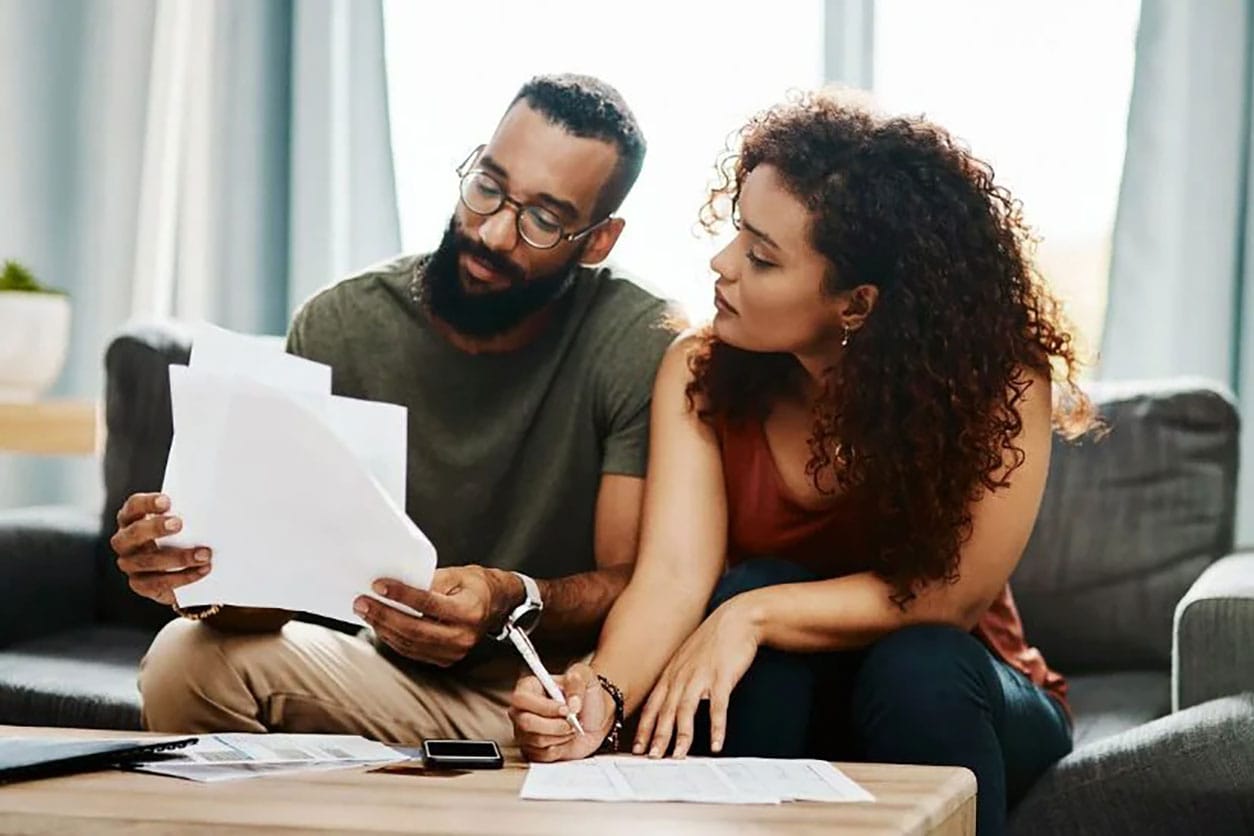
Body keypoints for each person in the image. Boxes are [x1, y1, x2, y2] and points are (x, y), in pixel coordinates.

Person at [508, 91, 1098, 836]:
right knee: (755, 595)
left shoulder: (1003, 382)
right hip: (789, 702)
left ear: (857, 304)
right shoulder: (698, 370)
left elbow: (949, 599)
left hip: (961, 694)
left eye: (761, 257)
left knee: (911, 661)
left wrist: (751, 615)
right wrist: (598, 696)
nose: (721, 265)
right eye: (736, 234)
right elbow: (672, 578)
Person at [109, 73, 679, 745]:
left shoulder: (637, 340)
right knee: (185, 660)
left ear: (599, 240)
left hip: (552, 696)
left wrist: (508, 599)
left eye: (545, 220)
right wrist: (197, 572)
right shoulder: (342, 324)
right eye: (488, 185)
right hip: (384, 678)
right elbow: (266, 603)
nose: (494, 232)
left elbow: (634, 582)